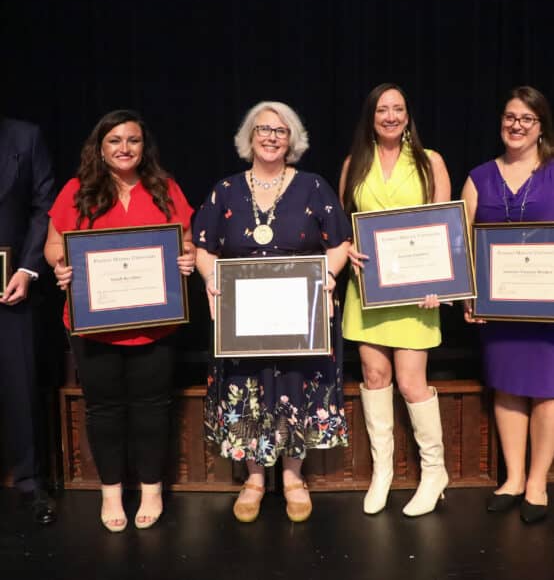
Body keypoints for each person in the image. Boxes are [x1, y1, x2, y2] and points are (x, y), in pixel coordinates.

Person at [193, 101, 351, 523]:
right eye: (263, 129)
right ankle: (255, 479)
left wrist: (330, 276)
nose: (271, 137)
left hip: (299, 312)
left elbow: (338, 244)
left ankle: (294, 477)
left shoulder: (314, 186)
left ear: (292, 139)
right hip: (242, 315)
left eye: (280, 131)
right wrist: (212, 280)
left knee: (296, 387)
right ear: (249, 137)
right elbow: (203, 248)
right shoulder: (223, 190)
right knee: (247, 391)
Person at [44, 109, 195, 532]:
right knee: (104, 409)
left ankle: (151, 489)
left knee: (152, 408)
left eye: (133, 140)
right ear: (100, 147)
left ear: (144, 147)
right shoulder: (77, 190)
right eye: (115, 141)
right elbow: (54, 244)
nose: (124, 148)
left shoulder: (165, 188)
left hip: (155, 321)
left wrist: (187, 259)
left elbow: (186, 240)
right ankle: (110, 492)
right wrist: (60, 265)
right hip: (93, 323)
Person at [339, 83, 451, 517]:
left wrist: (440, 281)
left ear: (407, 115)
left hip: (416, 292)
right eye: (382, 109)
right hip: (368, 288)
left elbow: (446, 226)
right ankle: (382, 471)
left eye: (397, 109)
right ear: (371, 117)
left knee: (410, 382)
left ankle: (434, 471)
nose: (389, 116)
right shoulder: (355, 163)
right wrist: (347, 248)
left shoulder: (430, 162)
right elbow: (345, 225)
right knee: (374, 374)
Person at [462, 85, 554, 524]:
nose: (516, 126)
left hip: (548, 308)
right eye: (509, 117)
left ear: (540, 127)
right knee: (508, 385)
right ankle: (514, 477)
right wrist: (468, 294)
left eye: (526, 119)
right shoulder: (479, 176)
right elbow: (458, 243)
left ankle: (538, 482)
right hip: (497, 308)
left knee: (547, 391)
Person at [0, 115, 57, 525]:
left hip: (12, 283)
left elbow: (44, 206)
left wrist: (28, 268)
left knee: (19, 385)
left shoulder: (25, 135)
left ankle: (30, 482)